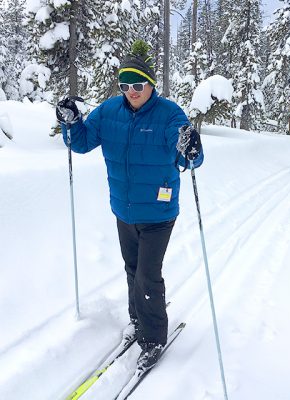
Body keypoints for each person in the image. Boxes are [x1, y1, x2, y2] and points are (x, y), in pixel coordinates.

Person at [56, 40, 204, 370]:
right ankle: (137, 320)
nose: (132, 91)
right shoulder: (109, 111)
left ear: (151, 84)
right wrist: (70, 122)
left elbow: (188, 155)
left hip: (158, 212)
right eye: (125, 85)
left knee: (148, 276)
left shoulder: (169, 114)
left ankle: (153, 337)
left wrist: (191, 147)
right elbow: (80, 143)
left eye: (138, 84)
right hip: (123, 210)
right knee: (132, 270)